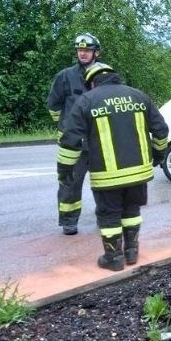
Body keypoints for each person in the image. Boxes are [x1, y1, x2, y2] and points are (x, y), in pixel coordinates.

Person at [56, 62, 169, 271]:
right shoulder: (138, 96)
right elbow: (161, 130)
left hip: (107, 175)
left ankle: (113, 257)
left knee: (109, 215)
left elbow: (70, 141)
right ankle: (132, 252)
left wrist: (64, 170)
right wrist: (159, 154)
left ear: (92, 82)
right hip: (138, 173)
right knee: (132, 210)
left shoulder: (87, 100)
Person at [46, 33, 101, 235]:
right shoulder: (65, 76)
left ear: (96, 53)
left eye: (87, 50)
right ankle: (69, 221)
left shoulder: (104, 76)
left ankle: (106, 217)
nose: (83, 53)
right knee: (70, 183)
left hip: (99, 140)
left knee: (105, 183)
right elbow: (53, 106)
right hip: (73, 144)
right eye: (80, 50)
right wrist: (67, 126)